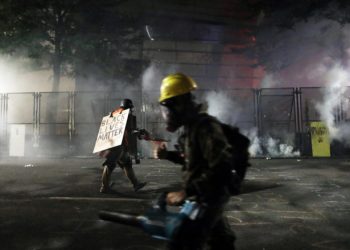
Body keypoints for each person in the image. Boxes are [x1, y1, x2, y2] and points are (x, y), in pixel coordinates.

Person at [156, 73, 237, 250]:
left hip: (208, 198)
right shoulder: (190, 129)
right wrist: (168, 155)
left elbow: (222, 167)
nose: (166, 114)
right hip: (203, 197)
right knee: (221, 243)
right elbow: (192, 160)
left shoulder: (205, 127)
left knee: (182, 242)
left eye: (167, 108)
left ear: (179, 104)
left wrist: (187, 192)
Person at [100, 98, 147, 193]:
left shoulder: (113, 113)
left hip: (114, 144)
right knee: (110, 165)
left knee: (127, 164)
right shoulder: (126, 115)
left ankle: (136, 184)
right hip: (118, 146)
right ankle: (104, 187)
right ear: (129, 107)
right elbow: (130, 132)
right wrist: (139, 132)